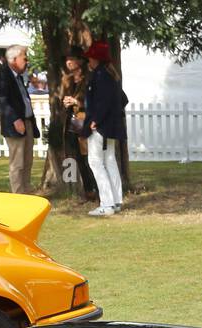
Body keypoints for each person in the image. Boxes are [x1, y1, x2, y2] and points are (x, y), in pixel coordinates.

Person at [82, 40, 127, 216]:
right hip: (111, 126)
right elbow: (122, 100)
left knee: (95, 162)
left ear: (96, 59)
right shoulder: (111, 76)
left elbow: (102, 103)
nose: (88, 62)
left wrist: (95, 121)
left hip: (100, 127)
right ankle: (116, 201)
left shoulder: (100, 76)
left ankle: (107, 203)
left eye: (91, 58)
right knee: (109, 161)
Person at [0, 44, 39, 194]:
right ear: (14, 60)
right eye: (24, 58)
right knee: (17, 162)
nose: (26, 62)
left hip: (27, 122)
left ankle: (26, 191)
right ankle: (18, 194)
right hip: (15, 125)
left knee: (28, 160)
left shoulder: (19, 77)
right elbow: (3, 101)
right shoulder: (3, 76)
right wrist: (15, 120)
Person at [60, 46, 99, 201]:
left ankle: (98, 190)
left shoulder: (89, 78)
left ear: (80, 61)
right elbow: (61, 99)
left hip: (85, 122)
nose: (68, 62)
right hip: (70, 123)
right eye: (67, 59)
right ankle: (88, 191)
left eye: (72, 59)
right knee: (76, 157)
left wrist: (76, 101)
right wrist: (65, 102)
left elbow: (94, 100)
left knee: (89, 157)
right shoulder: (66, 79)